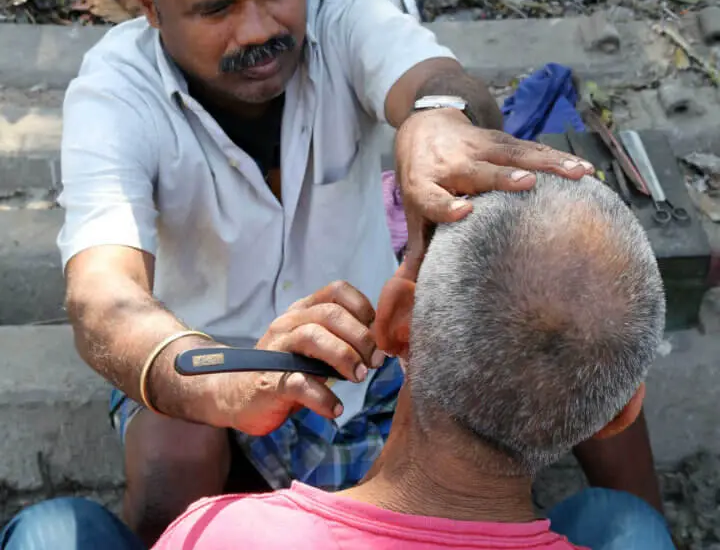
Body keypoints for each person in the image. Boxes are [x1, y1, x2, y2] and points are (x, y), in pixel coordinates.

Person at [55, 0, 661, 545]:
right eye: (217, 9)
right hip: (222, 373)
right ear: (147, 7)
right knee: (175, 437)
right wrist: (210, 382)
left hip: (375, 362)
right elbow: (102, 300)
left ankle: (654, 524)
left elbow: (441, 83)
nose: (259, 29)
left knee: (573, 326)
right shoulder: (112, 92)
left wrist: (439, 122)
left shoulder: (339, 9)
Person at [3, 174, 674, 549]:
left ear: (397, 323)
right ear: (621, 413)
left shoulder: (220, 531)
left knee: (53, 534)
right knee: (633, 527)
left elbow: (104, 305)